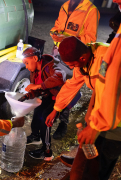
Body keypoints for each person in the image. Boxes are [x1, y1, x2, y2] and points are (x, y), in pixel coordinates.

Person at [69, 1, 121, 179]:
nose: (114, 1)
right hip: (104, 124)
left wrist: (94, 126)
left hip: (112, 130)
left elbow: (113, 88)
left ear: (83, 57)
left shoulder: (100, 57)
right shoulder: (114, 42)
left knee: (90, 173)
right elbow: (100, 91)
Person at [45, 36, 109, 165]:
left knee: (106, 145)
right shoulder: (84, 62)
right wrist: (56, 109)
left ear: (82, 58)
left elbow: (110, 92)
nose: (73, 68)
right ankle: (83, 160)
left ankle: (93, 165)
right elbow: (72, 85)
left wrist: (95, 124)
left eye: (73, 65)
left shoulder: (105, 58)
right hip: (102, 99)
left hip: (113, 106)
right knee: (88, 131)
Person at [50, 0, 100, 136]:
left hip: (76, 52)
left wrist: (68, 38)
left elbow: (90, 38)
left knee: (65, 83)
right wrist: (55, 34)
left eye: (73, 66)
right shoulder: (65, 6)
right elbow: (57, 26)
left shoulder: (91, 10)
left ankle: (63, 123)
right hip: (64, 52)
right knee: (62, 84)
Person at [21, 47, 69, 160]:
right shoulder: (33, 72)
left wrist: (39, 86)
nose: (26, 67)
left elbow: (60, 76)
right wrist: (28, 95)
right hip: (48, 96)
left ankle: (47, 151)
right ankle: (36, 136)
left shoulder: (50, 66)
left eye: (27, 63)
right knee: (37, 112)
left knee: (45, 119)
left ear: (35, 58)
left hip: (59, 98)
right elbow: (38, 89)